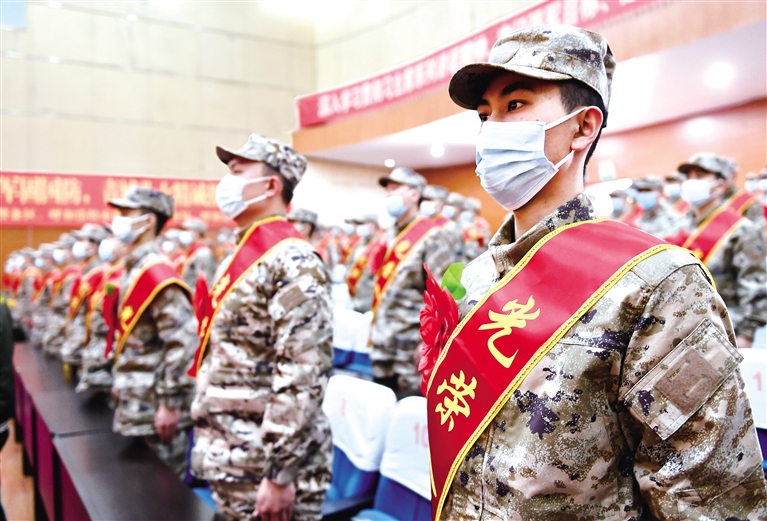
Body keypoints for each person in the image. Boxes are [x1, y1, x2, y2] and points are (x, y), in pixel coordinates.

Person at [422, 24, 767, 520]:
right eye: (484, 115)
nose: (492, 129)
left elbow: (707, 499)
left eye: (515, 104)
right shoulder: (478, 277)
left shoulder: (657, 285)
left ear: (583, 127)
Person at [190, 134, 333, 521]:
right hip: (232, 456)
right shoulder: (243, 252)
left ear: (271, 185)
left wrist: (279, 472)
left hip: (264, 468)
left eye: (238, 172)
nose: (227, 181)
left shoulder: (294, 260)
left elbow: (303, 371)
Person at [107, 187, 198, 477]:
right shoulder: (134, 268)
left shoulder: (157, 274)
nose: (118, 220)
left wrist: (170, 404)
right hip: (136, 400)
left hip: (155, 409)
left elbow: (183, 343)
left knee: (163, 493)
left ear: (148, 221)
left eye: (126, 213)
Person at [370, 167, 457, 397]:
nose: (388, 194)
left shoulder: (433, 235)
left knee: (408, 407)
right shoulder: (391, 233)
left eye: (395, 188)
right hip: (382, 342)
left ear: (414, 194)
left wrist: (432, 342)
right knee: (380, 403)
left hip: (409, 345)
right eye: (387, 190)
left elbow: (447, 290)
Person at [670, 159, 767, 348]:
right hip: (679, 329)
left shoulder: (742, 230)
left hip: (724, 330)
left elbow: (754, 284)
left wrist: (746, 334)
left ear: (720, 186)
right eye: (688, 176)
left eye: (700, 176)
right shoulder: (676, 226)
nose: (691, 182)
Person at [60, 223, 111, 369]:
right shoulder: (84, 270)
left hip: (90, 343)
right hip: (77, 341)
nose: (79, 244)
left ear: (94, 246)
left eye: (83, 240)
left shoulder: (101, 273)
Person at [345, 214, 383, 313]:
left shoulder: (382, 245)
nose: (360, 227)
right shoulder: (360, 244)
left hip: (369, 302)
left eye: (363, 224)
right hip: (354, 297)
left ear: (374, 225)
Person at [178, 218, 218, 289]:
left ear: (197, 232)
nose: (184, 233)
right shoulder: (192, 251)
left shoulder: (203, 253)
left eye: (187, 230)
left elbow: (206, 283)